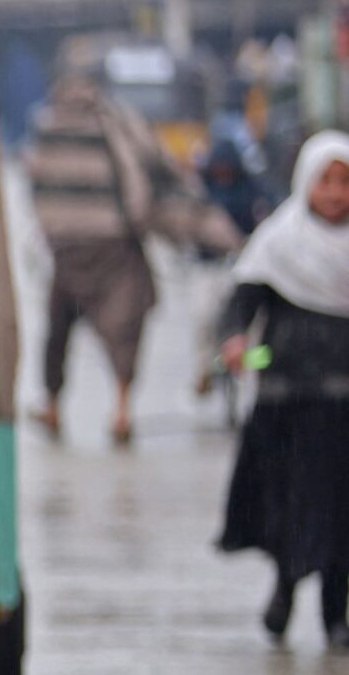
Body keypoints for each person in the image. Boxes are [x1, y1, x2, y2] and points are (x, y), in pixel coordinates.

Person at [25, 69, 240, 445]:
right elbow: (148, 170)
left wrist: (53, 228)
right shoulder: (114, 120)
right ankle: (121, 409)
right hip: (113, 245)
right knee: (125, 328)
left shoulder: (45, 123)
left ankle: (54, 405)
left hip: (68, 246)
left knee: (58, 328)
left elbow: (36, 184)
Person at [217, 132, 349, 648]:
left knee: (341, 511)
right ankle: (285, 589)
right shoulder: (279, 241)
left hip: (344, 405)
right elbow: (242, 301)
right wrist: (232, 340)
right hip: (287, 400)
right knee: (289, 505)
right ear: (306, 183)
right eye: (327, 181)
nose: (336, 193)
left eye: (345, 183)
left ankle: (336, 615)